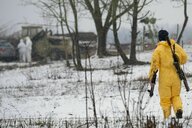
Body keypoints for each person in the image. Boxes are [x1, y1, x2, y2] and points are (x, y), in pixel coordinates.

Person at [148, 30, 188, 122]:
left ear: (159, 38)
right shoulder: (175, 46)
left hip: (164, 80)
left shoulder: (158, 49)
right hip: (176, 78)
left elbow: (154, 66)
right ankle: (178, 109)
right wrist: (178, 61)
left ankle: (167, 118)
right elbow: (185, 58)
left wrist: (151, 77)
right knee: (176, 96)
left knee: (165, 99)